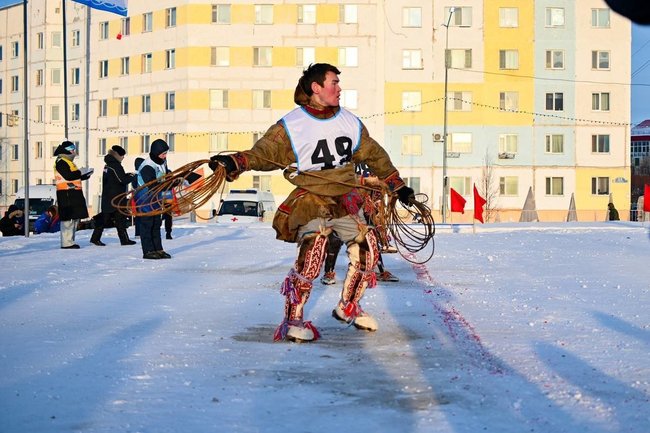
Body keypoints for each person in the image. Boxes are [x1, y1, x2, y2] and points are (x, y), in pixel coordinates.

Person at [209, 63, 414, 342]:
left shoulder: (350, 122)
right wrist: (234, 161)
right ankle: (293, 319)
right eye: (334, 83)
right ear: (316, 88)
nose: (339, 89)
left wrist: (398, 186)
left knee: (368, 250)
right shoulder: (292, 125)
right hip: (311, 197)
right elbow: (264, 152)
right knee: (312, 254)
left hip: (345, 198)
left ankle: (348, 307)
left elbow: (375, 155)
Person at [90, 145, 137, 246]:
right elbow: (122, 180)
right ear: (118, 155)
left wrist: (128, 175)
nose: (123, 157)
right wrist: (133, 176)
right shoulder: (115, 165)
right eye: (122, 155)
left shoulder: (108, 165)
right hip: (115, 198)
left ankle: (123, 239)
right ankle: (97, 238)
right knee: (109, 219)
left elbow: (118, 177)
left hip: (109, 197)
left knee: (117, 219)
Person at [135, 139, 172, 259]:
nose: (165, 156)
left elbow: (164, 174)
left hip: (156, 196)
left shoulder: (162, 161)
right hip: (145, 198)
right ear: (156, 153)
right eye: (163, 154)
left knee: (156, 223)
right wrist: (168, 184)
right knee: (147, 224)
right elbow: (153, 185)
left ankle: (158, 249)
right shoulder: (147, 166)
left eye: (166, 153)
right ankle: (148, 250)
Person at [54, 141, 93, 249]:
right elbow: (68, 176)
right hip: (66, 193)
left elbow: (73, 176)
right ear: (66, 150)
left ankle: (70, 241)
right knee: (68, 220)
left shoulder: (67, 161)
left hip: (72, 192)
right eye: (72, 149)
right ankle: (67, 243)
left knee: (74, 218)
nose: (74, 152)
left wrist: (85, 175)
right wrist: (81, 172)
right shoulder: (61, 162)